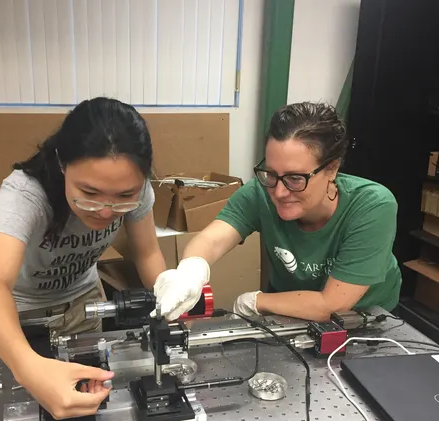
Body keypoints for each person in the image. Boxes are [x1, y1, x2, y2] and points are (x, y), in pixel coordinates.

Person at [0, 97, 166, 419]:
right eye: (89, 194)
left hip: (84, 306)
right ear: (62, 163)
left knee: (90, 408)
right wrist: (28, 367)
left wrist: (167, 296)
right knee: (20, 414)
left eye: (123, 197)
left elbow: (147, 253)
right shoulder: (25, 194)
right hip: (19, 317)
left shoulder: (140, 189)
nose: (106, 212)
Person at [153, 102, 402, 322]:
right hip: (293, 309)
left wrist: (255, 301)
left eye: (295, 178)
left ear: (332, 169)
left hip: (364, 316)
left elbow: (333, 305)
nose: (280, 192)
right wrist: (190, 272)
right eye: (271, 173)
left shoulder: (371, 206)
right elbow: (213, 238)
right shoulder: (261, 192)